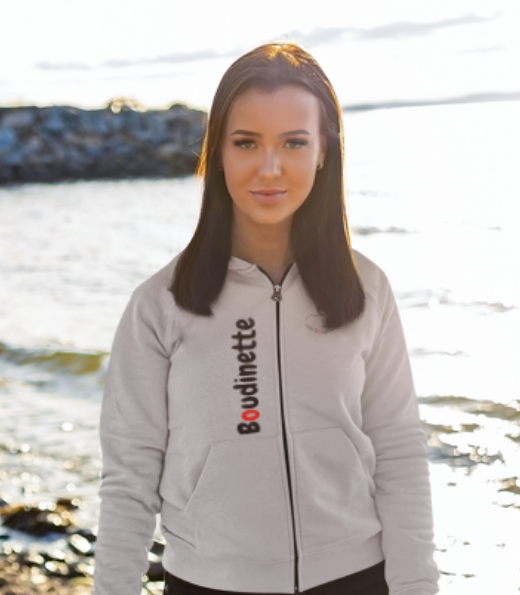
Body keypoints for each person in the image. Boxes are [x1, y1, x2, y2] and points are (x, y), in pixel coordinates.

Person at [92, 42, 440, 595]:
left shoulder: (366, 288)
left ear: (323, 150)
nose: (270, 167)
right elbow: (129, 479)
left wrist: (418, 585)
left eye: (294, 142)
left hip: (355, 577)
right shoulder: (159, 305)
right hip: (209, 583)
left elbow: (397, 449)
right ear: (219, 152)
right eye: (247, 142)